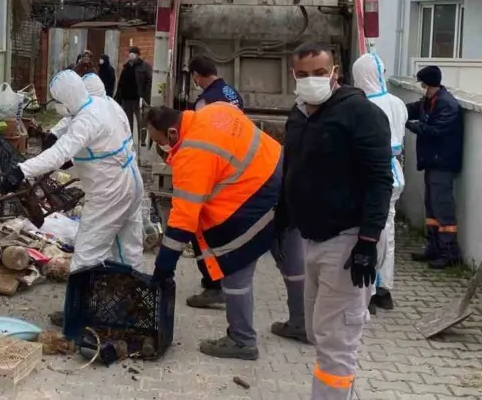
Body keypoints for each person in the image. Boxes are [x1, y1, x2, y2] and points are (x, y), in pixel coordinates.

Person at [146, 103, 307, 360]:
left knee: (234, 267)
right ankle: (303, 323)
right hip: (287, 180)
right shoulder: (216, 110)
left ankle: (242, 340)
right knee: (294, 264)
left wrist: (163, 267)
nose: (161, 150)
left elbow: (183, 221)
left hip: (256, 199)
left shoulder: (191, 153)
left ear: (174, 133)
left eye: (159, 141)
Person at [281, 42, 393, 399]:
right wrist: (283, 215)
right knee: (317, 332)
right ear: (293, 75)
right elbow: (293, 168)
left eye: (319, 72)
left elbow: (380, 180)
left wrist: (368, 243)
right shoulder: (299, 114)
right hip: (312, 239)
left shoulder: (360, 114)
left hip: (348, 241)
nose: (311, 79)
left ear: (335, 73)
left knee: (336, 342)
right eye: (303, 74)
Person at [1, 70, 143, 287]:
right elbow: (98, 142)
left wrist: (21, 170)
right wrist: (63, 143)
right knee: (127, 246)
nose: (58, 107)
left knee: (87, 253)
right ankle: (130, 299)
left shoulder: (85, 121)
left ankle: (80, 312)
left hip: (110, 191)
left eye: (58, 101)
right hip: (131, 181)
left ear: (67, 99)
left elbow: (59, 154)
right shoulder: (104, 105)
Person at [180, 55, 245, 308]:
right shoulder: (231, 93)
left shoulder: (206, 100)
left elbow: (198, 138)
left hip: (213, 171)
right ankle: (225, 279)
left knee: (202, 230)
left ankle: (214, 283)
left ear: (197, 75)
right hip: (233, 167)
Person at [351, 53, 408, 311]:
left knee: (370, 233)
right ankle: (385, 290)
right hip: (395, 174)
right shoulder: (398, 103)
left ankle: (369, 291)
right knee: (389, 233)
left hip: (371, 176)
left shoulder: (362, 107)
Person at [406, 65, 464, 269]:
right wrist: (396, 110)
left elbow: (435, 131)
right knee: (431, 206)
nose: (421, 87)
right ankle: (434, 247)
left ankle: (449, 253)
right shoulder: (430, 101)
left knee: (442, 207)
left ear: (430, 84)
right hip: (432, 161)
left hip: (443, 163)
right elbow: (413, 108)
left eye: (423, 84)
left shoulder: (447, 105)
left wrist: (409, 124)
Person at [116, 46, 152, 133]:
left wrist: (144, 95)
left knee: (141, 120)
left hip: (138, 98)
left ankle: (142, 140)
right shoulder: (126, 66)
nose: (132, 55)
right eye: (131, 53)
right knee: (128, 121)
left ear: (138, 55)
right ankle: (130, 137)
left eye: (134, 53)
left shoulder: (144, 66)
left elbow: (149, 81)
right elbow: (121, 83)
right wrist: (119, 96)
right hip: (127, 98)